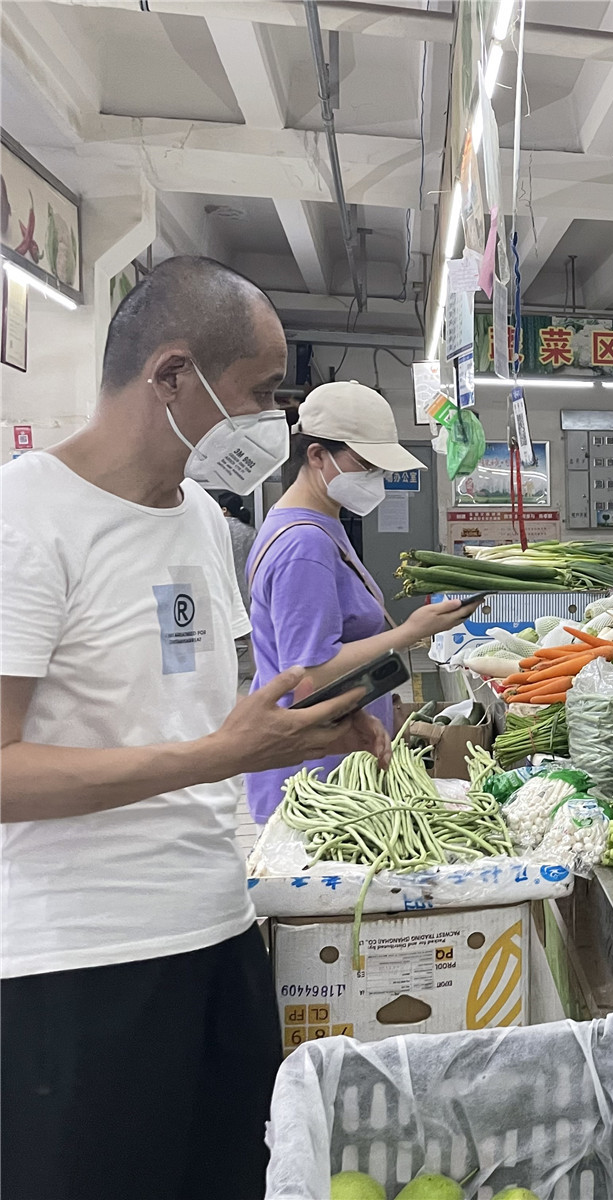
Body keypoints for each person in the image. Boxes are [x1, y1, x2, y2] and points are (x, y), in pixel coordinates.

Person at [0, 255, 389, 1200]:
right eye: (259, 394)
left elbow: (216, 713)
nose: (271, 425)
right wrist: (220, 754)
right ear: (171, 375)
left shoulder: (205, 525)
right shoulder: (28, 518)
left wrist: (305, 730)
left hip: (217, 932)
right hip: (79, 969)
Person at [244, 380, 474, 824]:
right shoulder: (305, 546)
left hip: (332, 756)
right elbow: (306, 675)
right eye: (365, 464)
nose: (376, 479)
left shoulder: (313, 524)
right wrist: (410, 633)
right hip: (315, 775)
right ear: (316, 456)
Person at [214, 490, 257, 610]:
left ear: (224, 509)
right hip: (245, 590)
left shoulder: (214, 529)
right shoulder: (251, 532)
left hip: (219, 589)